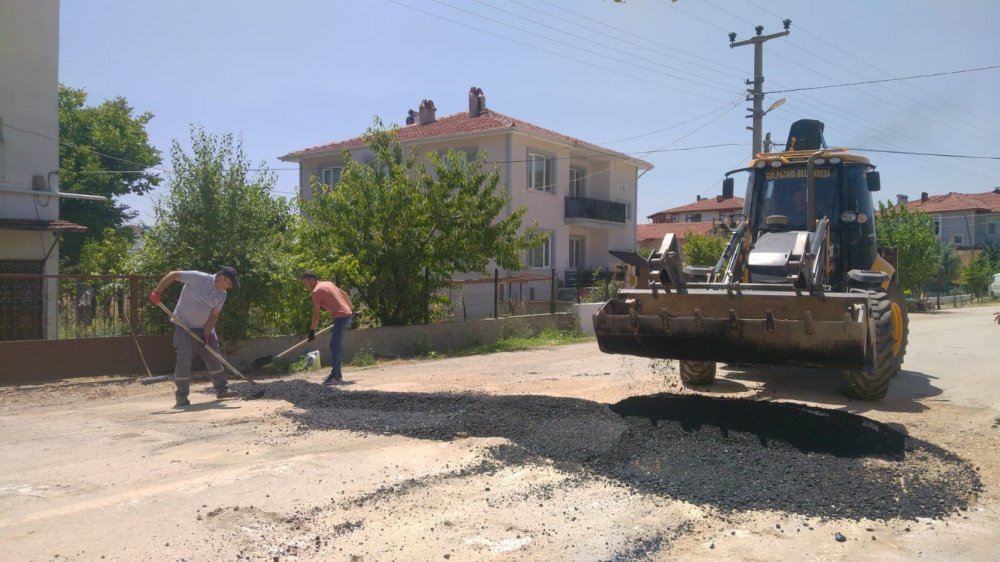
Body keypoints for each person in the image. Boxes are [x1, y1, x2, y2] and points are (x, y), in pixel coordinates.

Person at [149, 267, 240, 407]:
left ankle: (222, 390)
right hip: (184, 326)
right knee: (184, 360)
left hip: (204, 328)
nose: (229, 287)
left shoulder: (222, 294)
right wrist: (157, 291)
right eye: (228, 283)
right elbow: (173, 275)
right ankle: (181, 396)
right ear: (222, 278)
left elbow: (214, 315)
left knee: (214, 358)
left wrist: (206, 333)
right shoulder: (198, 278)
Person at [300, 271, 354, 385]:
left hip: (341, 317)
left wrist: (312, 331)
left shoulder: (316, 292)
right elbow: (345, 295)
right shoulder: (328, 283)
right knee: (336, 344)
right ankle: (337, 374)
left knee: (334, 345)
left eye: (305, 283)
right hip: (346, 315)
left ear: (312, 280)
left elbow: (316, 314)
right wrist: (351, 309)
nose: (305, 287)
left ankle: (335, 376)